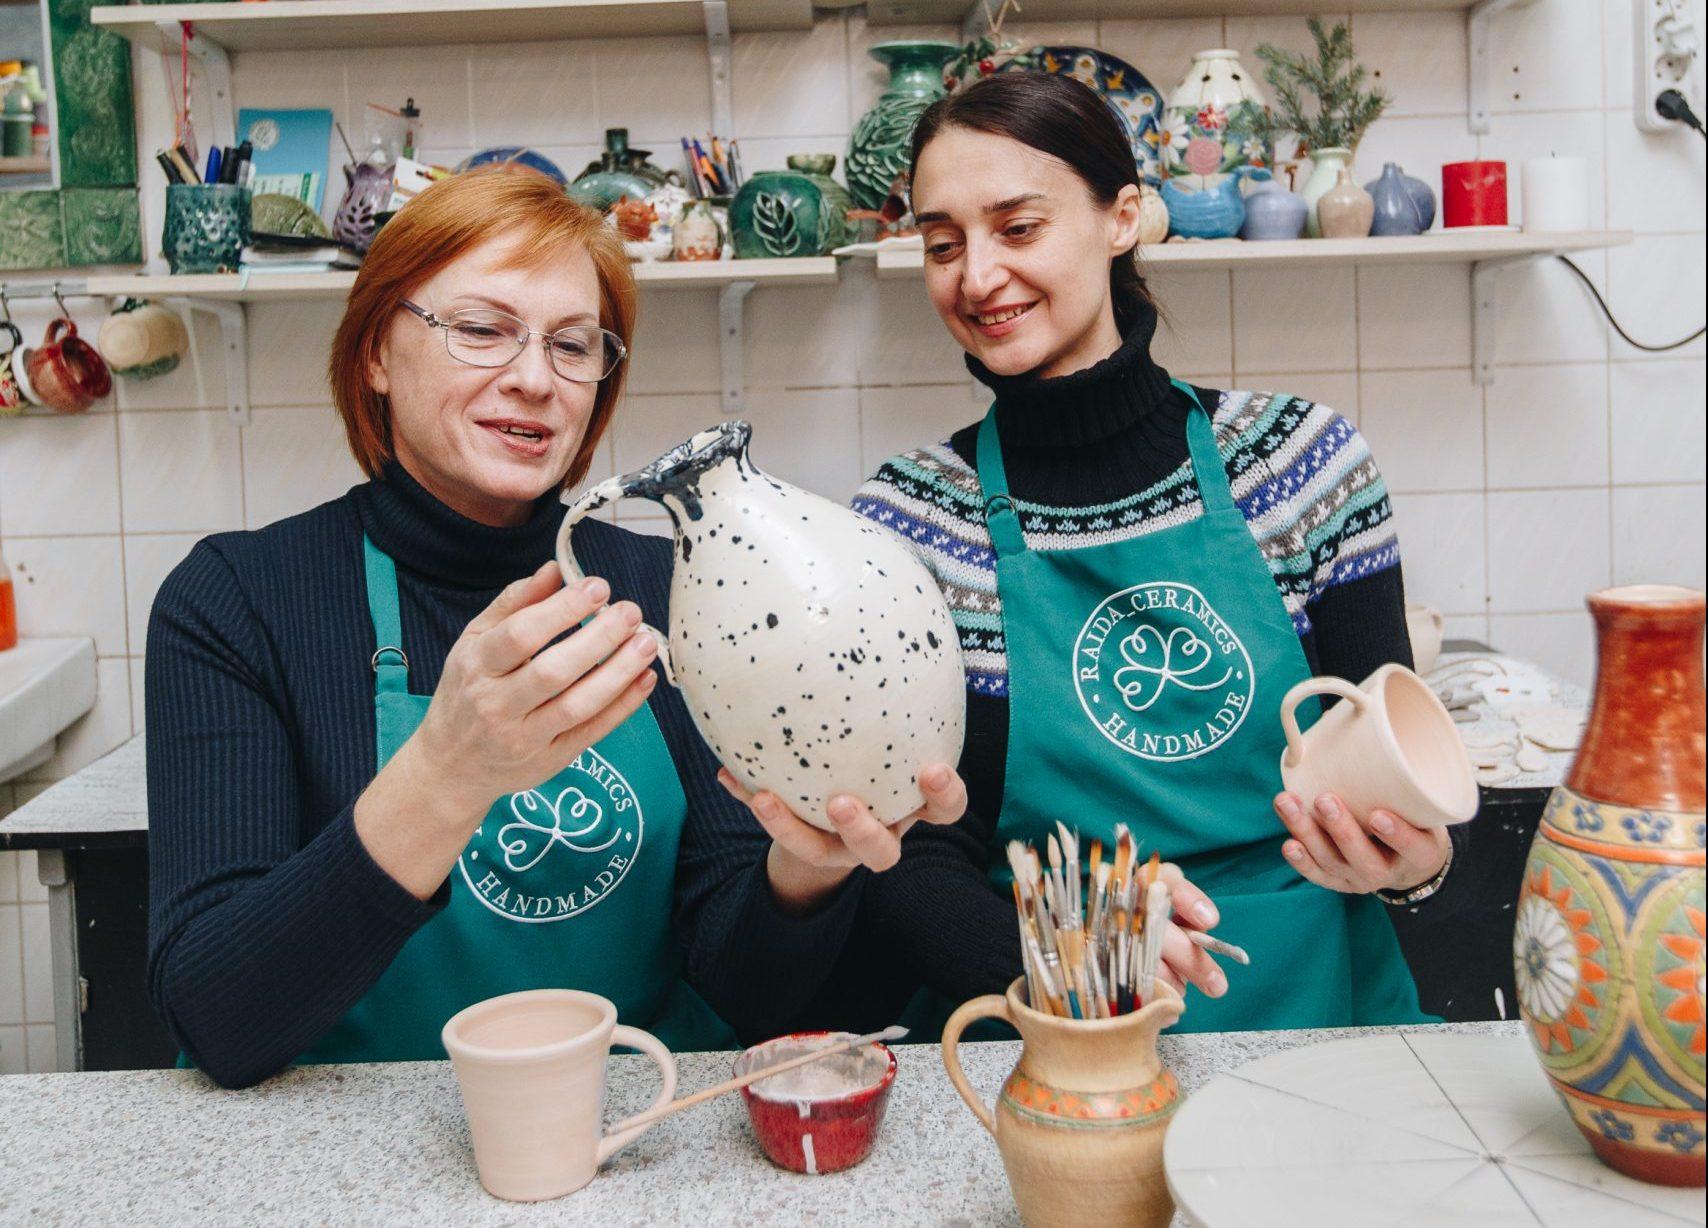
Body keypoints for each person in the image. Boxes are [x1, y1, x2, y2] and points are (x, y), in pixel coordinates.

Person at [145, 167, 965, 1088]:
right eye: (483, 330)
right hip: (350, 1156)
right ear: (377, 350)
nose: (535, 379)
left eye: (573, 346)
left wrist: (804, 873)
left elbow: (739, 993)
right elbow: (217, 1017)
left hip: (628, 1131)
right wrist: (445, 774)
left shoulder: (668, 587)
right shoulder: (237, 601)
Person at [847, 73, 1469, 1033]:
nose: (975, 278)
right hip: (1062, 1037)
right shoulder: (913, 519)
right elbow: (914, 862)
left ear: (1124, 218)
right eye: (942, 244)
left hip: (1322, 1018)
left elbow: (1392, 792)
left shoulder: (1300, 464)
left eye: (1017, 228)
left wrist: (1414, 870)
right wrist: (1078, 956)